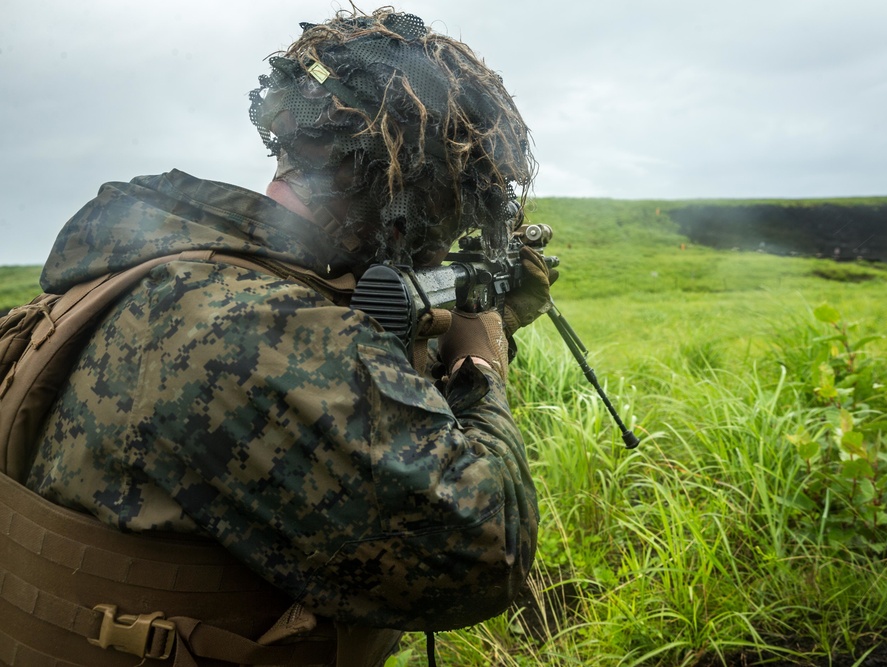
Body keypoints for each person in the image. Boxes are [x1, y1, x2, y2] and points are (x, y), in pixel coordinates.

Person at [5, 8, 550, 666]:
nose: (445, 242)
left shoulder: (163, 263)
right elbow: (487, 550)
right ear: (408, 198)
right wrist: (480, 361)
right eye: (450, 213)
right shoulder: (265, 334)